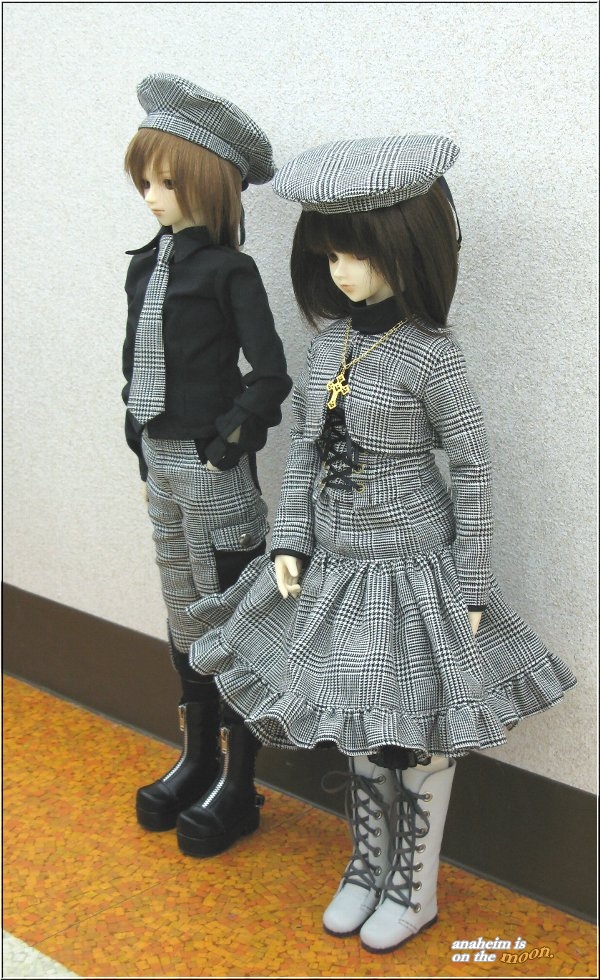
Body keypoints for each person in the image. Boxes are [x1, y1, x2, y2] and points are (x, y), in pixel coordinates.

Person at [185, 134, 576, 950]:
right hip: (338, 566)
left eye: (359, 255)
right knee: (362, 718)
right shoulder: (329, 343)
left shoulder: (433, 358)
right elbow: (302, 452)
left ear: (412, 250)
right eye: (330, 255)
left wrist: (472, 578)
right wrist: (290, 540)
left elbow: (472, 468)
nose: (342, 272)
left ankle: (415, 883)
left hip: (413, 568)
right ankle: (367, 863)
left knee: (418, 727)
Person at [122, 73, 291, 856]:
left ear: (211, 185)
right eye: (146, 183)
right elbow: (135, 356)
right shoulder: (145, 266)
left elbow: (270, 374)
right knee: (183, 610)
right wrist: (136, 429)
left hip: (212, 468)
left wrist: (228, 443)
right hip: (159, 461)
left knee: (233, 616)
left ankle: (240, 783)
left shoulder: (229, 272)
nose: (154, 198)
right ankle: (198, 758)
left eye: (168, 183)